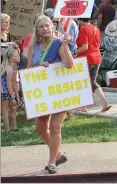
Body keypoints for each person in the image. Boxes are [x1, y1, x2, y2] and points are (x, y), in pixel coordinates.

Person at [27, 15, 74, 174]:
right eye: (41, 26)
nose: (45, 28)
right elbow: (28, 71)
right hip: (41, 93)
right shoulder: (32, 47)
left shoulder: (59, 44)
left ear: (53, 27)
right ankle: (58, 154)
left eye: (47, 25)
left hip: (59, 91)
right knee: (40, 128)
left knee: (55, 127)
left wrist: (66, 45)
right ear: (37, 30)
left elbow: (69, 65)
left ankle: (52, 162)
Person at [76, 14, 112, 112]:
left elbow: (85, 47)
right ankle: (104, 101)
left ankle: (84, 106)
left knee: (84, 82)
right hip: (97, 57)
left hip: (86, 58)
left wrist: (74, 52)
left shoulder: (83, 29)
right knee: (92, 81)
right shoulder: (96, 29)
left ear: (80, 20)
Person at [1, 46, 20, 133]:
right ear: (11, 58)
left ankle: (14, 126)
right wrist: (12, 97)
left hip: (9, 89)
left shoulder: (15, 68)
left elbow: (14, 83)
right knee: (5, 109)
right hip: (3, 90)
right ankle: (7, 128)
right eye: (16, 56)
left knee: (13, 107)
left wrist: (17, 97)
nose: (18, 57)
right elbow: (8, 84)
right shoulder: (8, 68)